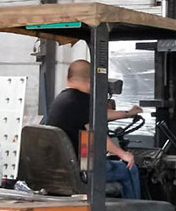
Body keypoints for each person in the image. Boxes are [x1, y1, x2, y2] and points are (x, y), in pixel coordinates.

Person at [46, 59, 143, 199]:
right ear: (92, 81)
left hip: (63, 167)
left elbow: (100, 114)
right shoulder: (82, 100)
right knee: (129, 169)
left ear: (68, 78)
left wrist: (127, 113)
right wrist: (123, 155)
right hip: (83, 168)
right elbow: (98, 135)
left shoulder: (62, 98)